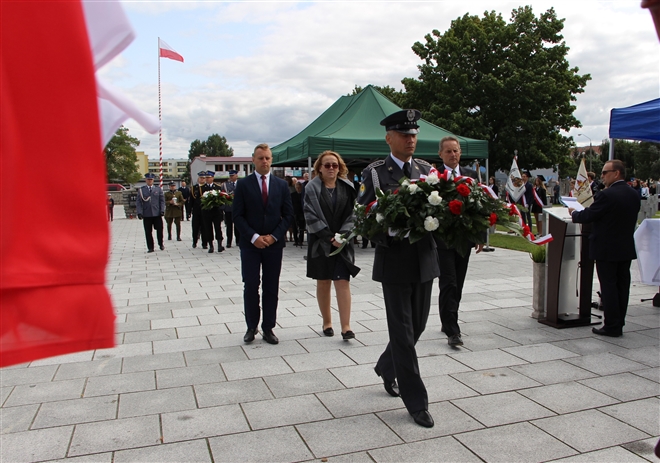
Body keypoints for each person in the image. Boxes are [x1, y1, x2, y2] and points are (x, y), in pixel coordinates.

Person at [358, 109, 439, 428]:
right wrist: (390, 229)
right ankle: (416, 401)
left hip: (424, 258)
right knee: (403, 333)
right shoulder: (376, 174)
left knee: (417, 326)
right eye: (404, 135)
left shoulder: (427, 170)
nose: (411, 140)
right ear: (389, 138)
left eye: (414, 135)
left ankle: (386, 366)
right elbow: (364, 219)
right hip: (394, 260)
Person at [568, 160, 641, 337]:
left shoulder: (607, 195)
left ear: (616, 173)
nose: (602, 176)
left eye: (605, 172)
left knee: (608, 288)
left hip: (606, 248)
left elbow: (590, 215)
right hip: (624, 247)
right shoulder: (633, 194)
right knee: (622, 287)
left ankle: (611, 325)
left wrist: (574, 213)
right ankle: (619, 322)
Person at [233, 143, 294, 345]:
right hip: (250, 245)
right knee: (251, 285)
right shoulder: (243, 185)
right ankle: (251, 326)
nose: (264, 161)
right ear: (253, 160)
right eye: (261, 158)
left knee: (271, 286)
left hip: (273, 245)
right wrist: (254, 237)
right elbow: (237, 215)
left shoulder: (281, 185)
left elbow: (288, 215)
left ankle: (268, 327)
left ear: (271, 160)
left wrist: (274, 236)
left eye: (267, 158)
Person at [304, 150, 360, 340]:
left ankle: (346, 327)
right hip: (320, 241)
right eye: (327, 165)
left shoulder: (348, 187)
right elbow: (309, 214)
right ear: (319, 168)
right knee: (323, 281)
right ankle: (327, 322)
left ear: (339, 168)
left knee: (342, 281)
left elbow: (355, 213)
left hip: (343, 242)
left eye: (334, 165)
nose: (331, 168)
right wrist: (329, 237)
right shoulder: (311, 188)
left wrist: (342, 236)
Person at [435, 136, 484, 347]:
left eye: (456, 151)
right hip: (443, 239)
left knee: (459, 283)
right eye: (448, 151)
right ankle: (452, 330)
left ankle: (448, 318)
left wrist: (479, 235)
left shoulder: (470, 175)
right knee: (449, 282)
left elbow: (480, 206)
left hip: (464, 238)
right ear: (441, 154)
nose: (453, 154)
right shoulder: (434, 176)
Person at [136, 173, 165, 253]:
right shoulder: (142, 190)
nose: (150, 181)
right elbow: (139, 202)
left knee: (160, 230)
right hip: (147, 213)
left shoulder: (158, 189)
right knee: (148, 232)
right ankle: (150, 247)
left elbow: (162, 201)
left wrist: (162, 210)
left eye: (151, 179)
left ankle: (161, 243)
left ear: (153, 180)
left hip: (157, 213)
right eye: (148, 179)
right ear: (146, 180)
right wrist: (139, 212)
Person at [202, 171, 225, 253]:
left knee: (218, 228)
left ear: (212, 178)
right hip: (206, 212)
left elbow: (222, 199)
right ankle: (211, 246)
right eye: (206, 178)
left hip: (216, 212)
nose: (207, 179)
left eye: (209, 177)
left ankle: (219, 244)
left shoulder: (217, 187)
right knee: (208, 228)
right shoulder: (202, 188)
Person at [221, 170, 239, 248]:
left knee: (238, 225)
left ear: (236, 176)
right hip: (228, 208)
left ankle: (238, 240)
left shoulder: (241, 184)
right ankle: (229, 241)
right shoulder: (225, 185)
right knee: (229, 226)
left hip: (238, 208)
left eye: (233, 175)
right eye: (230, 176)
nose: (231, 177)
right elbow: (223, 195)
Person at [190, 171, 208, 249]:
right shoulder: (194, 188)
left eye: (203, 178)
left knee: (204, 228)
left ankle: (204, 243)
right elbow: (191, 200)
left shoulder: (207, 187)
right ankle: (194, 242)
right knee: (195, 227)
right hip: (196, 211)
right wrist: (189, 211)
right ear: (198, 178)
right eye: (201, 178)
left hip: (205, 210)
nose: (202, 179)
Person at [291, 181, 305, 246]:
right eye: (297, 187)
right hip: (294, 213)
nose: (298, 189)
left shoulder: (303, 195)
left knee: (302, 227)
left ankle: (301, 240)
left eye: (299, 187)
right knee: (294, 227)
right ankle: (296, 240)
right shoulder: (292, 195)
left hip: (302, 213)